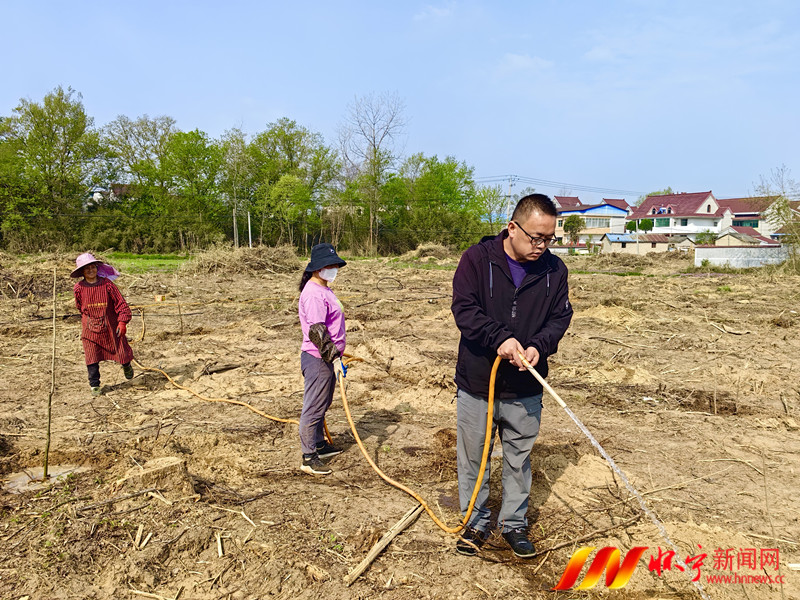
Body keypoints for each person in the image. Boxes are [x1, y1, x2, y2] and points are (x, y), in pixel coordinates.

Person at [451, 194, 573, 557]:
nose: (542, 246)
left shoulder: (555, 271)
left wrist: (539, 346)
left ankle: (513, 524)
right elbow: (464, 309)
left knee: (519, 459)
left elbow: (560, 318)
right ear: (512, 227)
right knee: (474, 457)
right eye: (536, 237)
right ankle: (474, 522)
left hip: (525, 386)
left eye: (549, 238)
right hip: (478, 383)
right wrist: (499, 338)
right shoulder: (476, 260)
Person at [297, 243, 348, 476]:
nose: (333, 269)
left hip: (326, 356)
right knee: (314, 407)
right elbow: (317, 332)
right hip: (318, 358)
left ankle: (319, 443)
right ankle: (308, 457)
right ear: (317, 268)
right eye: (329, 265)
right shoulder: (313, 294)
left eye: (335, 265)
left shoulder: (324, 289)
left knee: (323, 403)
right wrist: (333, 357)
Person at [72, 253, 135, 397]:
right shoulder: (79, 288)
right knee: (91, 355)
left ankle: (126, 366)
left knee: (121, 349)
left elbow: (121, 304)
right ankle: (94, 385)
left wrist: (122, 321)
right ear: (82, 271)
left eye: (93, 267)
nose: (90, 271)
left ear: (96, 268)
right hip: (90, 328)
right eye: (86, 269)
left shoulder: (107, 285)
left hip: (111, 325)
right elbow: (80, 307)